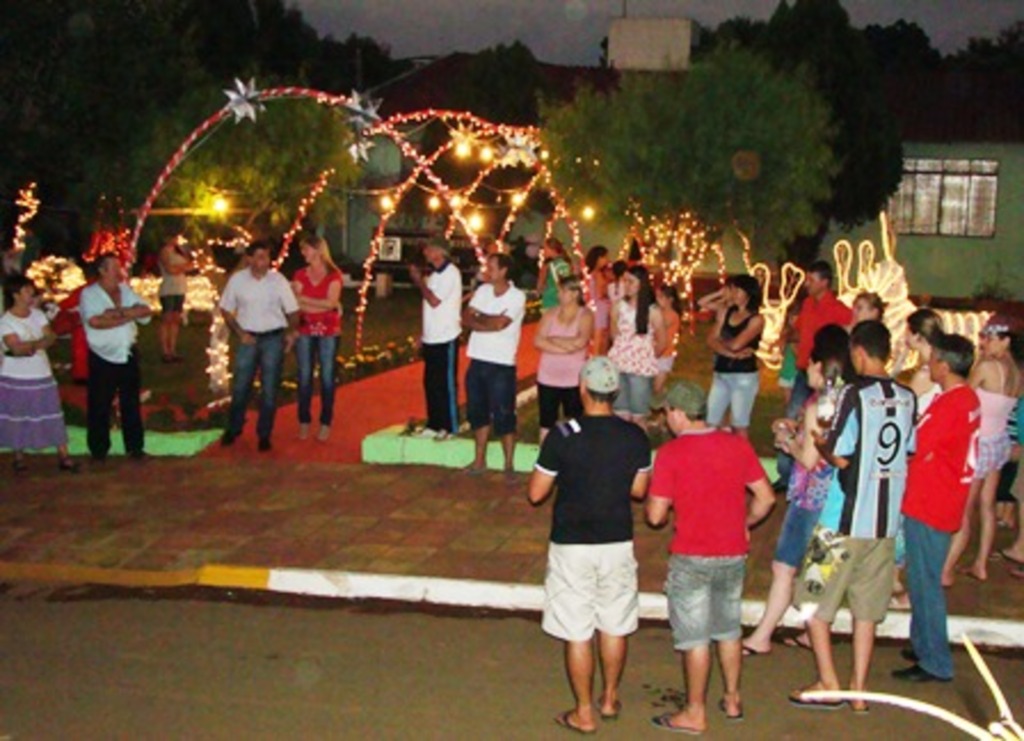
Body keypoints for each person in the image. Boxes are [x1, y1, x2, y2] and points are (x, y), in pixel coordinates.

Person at [790, 320, 915, 713]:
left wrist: (819, 444)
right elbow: (906, 450)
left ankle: (829, 681)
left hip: (841, 521)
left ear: (858, 352)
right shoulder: (908, 396)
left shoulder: (853, 395)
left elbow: (841, 455)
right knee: (867, 610)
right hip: (885, 524)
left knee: (811, 599)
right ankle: (860, 690)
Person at [528, 356, 652, 734]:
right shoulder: (634, 436)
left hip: (572, 543)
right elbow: (639, 490)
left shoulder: (563, 435)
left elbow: (536, 493)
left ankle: (583, 711)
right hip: (616, 540)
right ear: (615, 392)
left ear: (583, 389)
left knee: (577, 629)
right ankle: (610, 697)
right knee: (614, 623)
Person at [646, 381, 775, 734]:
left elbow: (656, 516)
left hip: (692, 555)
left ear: (677, 413)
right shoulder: (737, 445)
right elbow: (766, 497)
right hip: (733, 552)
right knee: (728, 628)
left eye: (666, 411)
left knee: (694, 638)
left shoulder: (671, 454)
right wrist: (744, 521)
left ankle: (694, 711)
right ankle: (732, 698)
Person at [741, 324, 853, 656]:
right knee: (818, 572)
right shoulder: (846, 396)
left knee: (786, 567)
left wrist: (786, 439)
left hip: (811, 498)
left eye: (810, 363)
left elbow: (808, 458)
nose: (805, 369)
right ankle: (811, 630)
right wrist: (797, 430)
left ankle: (763, 636)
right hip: (837, 498)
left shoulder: (820, 403)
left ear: (822, 364)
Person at [893, 333, 980, 683]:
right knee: (920, 577)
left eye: (933, 359)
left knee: (925, 583)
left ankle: (935, 660)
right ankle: (923, 643)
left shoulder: (951, 405)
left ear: (944, 365)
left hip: (931, 501)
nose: (928, 364)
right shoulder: (966, 399)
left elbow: (915, 442)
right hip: (943, 497)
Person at [942, 314, 1022, 584]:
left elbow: (962, 394)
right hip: (999, 442)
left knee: (965, 511)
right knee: (986, 506)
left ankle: (946, 569)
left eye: (989, 337)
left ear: (1005, 340)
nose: (983, 342)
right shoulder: (1017, 372)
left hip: (980, 444)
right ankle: (980, 564)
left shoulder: (988, 366)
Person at [219, 240, 300, 452]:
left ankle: (264, 434)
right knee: (240, 386)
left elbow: (292, 310)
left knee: (270, 388)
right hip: (249, 337)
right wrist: (239, 333)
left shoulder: (277, 280)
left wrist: (291, 331)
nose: (263, 262)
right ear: (249, 259)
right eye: (259, 257)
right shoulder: (238, 280)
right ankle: (234, 427)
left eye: (266, 257)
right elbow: (226, 309)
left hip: (273, 338)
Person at [79, 253, 154, 462]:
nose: (120, 271)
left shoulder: (125, 291)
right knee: (100, 404)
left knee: (131, 402)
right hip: (103, 357)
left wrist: (115, 314)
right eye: (115, 267)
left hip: (127, 353)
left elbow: (146, 311)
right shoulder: (90, 294)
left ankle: (135, 447)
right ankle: (99, 450)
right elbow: (95, 321)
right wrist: (128, 314)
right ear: (102, 270)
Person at [0, 275, 77, 473]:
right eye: (26, 290)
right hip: (16, 376)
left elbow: (50, 337)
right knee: (18, 414)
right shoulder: (6, 322)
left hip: (41, 373)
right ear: (15, 295)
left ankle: (63, 454)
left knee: (51, 411)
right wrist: (36, 344)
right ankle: (18, 455)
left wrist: (31, 345)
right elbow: (16, 348)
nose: (31, 294)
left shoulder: (37, 315)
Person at [462, 252, 526, 479]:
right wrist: (486, 320)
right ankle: (480, 460)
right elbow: (466, 318)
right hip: (477, 359)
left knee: (504, 414)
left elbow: (501, 324)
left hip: (501, 363)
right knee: (477, 413)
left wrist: (481, 318)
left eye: (492, 267)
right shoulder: (482, 291)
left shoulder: (517, 296)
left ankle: (508, 464)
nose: (487, 271)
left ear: (504, 271)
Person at [291, 235, 343, 443]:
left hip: (328, 331)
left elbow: (331, 302)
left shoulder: (334, 275)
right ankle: (303, 420)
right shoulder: (300, 274)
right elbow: (297, 305)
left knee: (327, 376)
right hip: (305, 329)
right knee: (304, 376)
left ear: (318, 251)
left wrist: (305, 300)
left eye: (307, 249)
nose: (303, 253)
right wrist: (319, 304)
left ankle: (325, 421)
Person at [700, 275, 765, 439]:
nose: (733, 293)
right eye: (732, 289)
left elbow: (737, 344)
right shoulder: (726, 311)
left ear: (748, 293)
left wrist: (721, 342)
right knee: (711, 421)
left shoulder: (756, 319)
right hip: (721, 372)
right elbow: (710, 339)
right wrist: (720, 293)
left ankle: (742, 460)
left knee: (739, 425)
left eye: (738, 290)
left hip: (743, 375)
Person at [410, 240, 463, 441]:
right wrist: (423, 335)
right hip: (432, 336)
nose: (426, 252)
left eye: (430, 249)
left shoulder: (451, 274)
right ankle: (434, 423)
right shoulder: (434, 276)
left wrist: (419, 281)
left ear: (439, 252)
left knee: (445, 383)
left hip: (446, 336)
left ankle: (449, 426)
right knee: (430, 382)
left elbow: (433, 301)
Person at [534, 276, 593, 443]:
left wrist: (552, 340)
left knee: (574, 420)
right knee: (546, 420)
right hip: (548, 376)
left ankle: (571, 452)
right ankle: (546, 455)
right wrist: (567, 347)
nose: (558, 294)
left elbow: (581, 342)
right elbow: (538, 340)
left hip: (573, 378)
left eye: (562, 290)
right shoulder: (550, 314)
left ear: (574, 293)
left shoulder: (585, 315)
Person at [608, 264, 665, 426]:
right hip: (619, 363)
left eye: (630, 281)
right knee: (620, 412)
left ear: (642, 284)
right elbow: (614, 334)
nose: (626, 285)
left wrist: (647, 355)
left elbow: (662, 341)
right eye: (624, 281)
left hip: (640, 368)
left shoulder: (652, 311)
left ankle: (639, 446)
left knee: (638, 414)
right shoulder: (618, 307)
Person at [157, 235, 193, 363]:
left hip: (180, 288)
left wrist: (181, 267)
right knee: (167, 318)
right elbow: (170, 270)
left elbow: (191, 265)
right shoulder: (165, 252)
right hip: (169, 288)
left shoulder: (179, 251)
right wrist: (183, 267)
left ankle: (172, 349)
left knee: (176, 318)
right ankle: (165, 351)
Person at [654, 284, 681, 394]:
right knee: (654, 387)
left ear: (670, 300)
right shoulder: (659, 312)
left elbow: (659, 327)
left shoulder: (672, 315)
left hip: (665, 354)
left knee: (657, 388)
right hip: (655, 352)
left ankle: (668, 406)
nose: (658, 300)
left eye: (661, 297)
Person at [584, 245, 611, 355]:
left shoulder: (591, 273)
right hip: (601, 307)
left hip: (595, 306)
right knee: (600, 337)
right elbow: (600, 293)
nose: (607, 260)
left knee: (598, 336)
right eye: (604, 257)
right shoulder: (599, 274)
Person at [537, 237, 572, 311]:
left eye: (545, 249)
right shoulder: (567, 263)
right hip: (565, 300)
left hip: (550, 300)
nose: (544, 251)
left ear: (552, 249)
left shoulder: (547, 265)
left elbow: (540, 286)